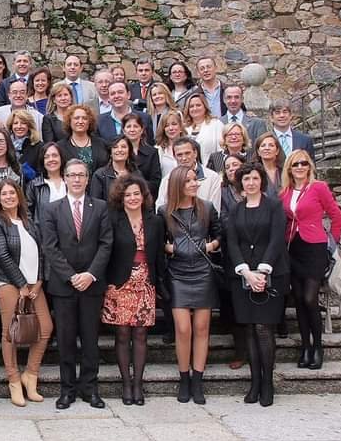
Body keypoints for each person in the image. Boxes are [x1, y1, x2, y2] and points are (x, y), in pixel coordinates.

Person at [42, 159, 113, 409]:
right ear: (65, 177)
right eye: (71, 175)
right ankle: (67, 390)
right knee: (66, 340)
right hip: (64, 286)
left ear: (87, 178)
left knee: (91, 340)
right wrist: (71, 276)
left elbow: (106, 244)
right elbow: (50, 247)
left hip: (92, 286)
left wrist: (90, 274)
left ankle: (90, 389)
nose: (76, 179)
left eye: (81, 175)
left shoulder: (101, 207)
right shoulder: (52, 209)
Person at [226, 161, 290, 406]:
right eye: (246, 179)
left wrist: (262, 271)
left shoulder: (274, 206)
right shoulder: (235, 209)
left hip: (271, 275)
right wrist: (246, 272)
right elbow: (231, 241)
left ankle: (267, 383)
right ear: (240, 183)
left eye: (254, 178)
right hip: (243, 277)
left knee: (264, 329)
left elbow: (276, 239)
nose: (250, 183)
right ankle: (254, 382)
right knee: (250, 330)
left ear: (261, 181)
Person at [0, 178, 53, 407]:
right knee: (10, 333)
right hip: (9, 284)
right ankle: (13, 379)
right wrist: (21, 285)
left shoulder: (29, 222)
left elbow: (42, 253)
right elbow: (3, 256)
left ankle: (30, 375)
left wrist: (40, 282)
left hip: (34, 285)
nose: (8, 197)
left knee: (46, 328)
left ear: (18, 196)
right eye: (4, 194)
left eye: (12, 193)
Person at [103, 175, 167, 406]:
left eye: (136, 194)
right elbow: (106, 251)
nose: (132, 198)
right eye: (128, 194)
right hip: (120, 283)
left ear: (143, 196)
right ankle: (126, 384)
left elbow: (159, 254)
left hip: (145, 283)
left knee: (140, 334)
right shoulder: (112, 219)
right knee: (122, 334)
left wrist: (160, 284)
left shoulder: (155, 220)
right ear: (121, 197)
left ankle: (138, 384)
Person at [162, 164, 222, 405]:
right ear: (178, 184)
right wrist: (170, 248)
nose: (195, 183)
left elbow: (219, 234)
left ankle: (197, 379)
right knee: (183, 328)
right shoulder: (164, 211)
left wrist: (211, 246)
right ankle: (183, 376)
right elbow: (159, 240)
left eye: (195, 180)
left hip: (202, 271)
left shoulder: (207, 208)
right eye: (189, 181)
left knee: (201, 328)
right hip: (177, 273)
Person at [281, 149, 341, 370]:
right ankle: (305, 347)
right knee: (298, 299)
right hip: (293, 247)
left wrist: (332, 243)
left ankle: (318, 347)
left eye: (304, 163)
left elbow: (336, 216)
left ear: (309, 166)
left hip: (315, 246)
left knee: (310, 298)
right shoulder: (285, 193)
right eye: (295, 164)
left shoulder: (319, 187)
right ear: (289, 168)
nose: (299, 167)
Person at [218, 153, 249, 370]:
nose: (231, 169)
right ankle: (241, 351)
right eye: (227, 166)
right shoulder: (222, 193)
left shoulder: (256, 192)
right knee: (237, 307)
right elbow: (223, 222)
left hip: (258, 255)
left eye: (235, 165)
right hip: (232, 255)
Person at [156, 136, 223, 214]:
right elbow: (161, 207)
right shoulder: (167, 180)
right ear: (174, 157)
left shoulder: (212, 177)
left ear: (195, 153)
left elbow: (215, 210)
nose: (184, 158)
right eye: (179, 155)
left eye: (187, 153)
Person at [57, 104, 109, 175]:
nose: (80, 121)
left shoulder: (102, 144)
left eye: (84, 118)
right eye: (76, 118)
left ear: (89, 122)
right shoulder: (60, 147)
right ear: (69, 121)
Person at [26, 141, 67, 226]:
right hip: (44, 236)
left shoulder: (70, 182)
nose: (51, 159)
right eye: (47, 157)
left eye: (55, 155)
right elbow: (27, 214)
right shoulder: (35, 185)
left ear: (61, 158)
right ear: (42, 161)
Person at [122, 113, 162, 195]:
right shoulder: (118, 151)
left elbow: (156, 183)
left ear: (142, 130)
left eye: (136, 126)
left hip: (146, 197)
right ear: (124, 131)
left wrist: (137, 184)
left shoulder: (152, 153)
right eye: (128, 126)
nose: (132, 130)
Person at [183, 93, 224, 168]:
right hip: (188, 172)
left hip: (212, 170)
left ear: (205, 107)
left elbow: (221, 151)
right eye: (191, 106)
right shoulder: (184, 128)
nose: (195, 108)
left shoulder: (216, 124)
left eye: (198, 105)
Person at [91, 136, 136, 201]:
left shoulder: (136, 173)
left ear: (129, 151)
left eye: (123, 147)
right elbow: (96, 203)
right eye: (115, 147)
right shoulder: (100, 175)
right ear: (110, 153)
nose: (120, 150)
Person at [8, 109, 43, 180]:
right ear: (11, 126)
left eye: (23, 123)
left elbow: (41, 173)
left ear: (29, 126)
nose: (19, 126)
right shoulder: (6, 145)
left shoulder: (39, 146)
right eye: (15, 123)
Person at [154, 110, 185, 181]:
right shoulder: (158, 150)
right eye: (167, 125)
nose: (171, 128)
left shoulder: (190, 146)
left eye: (174, 124)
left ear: (180, 127)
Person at [254, 131, 285, 196]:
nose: (267, 148)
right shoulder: (254, 173)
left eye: (271, 145)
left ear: (277, 151)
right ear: (258, 152)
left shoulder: (285, 171)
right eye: (263, 145)